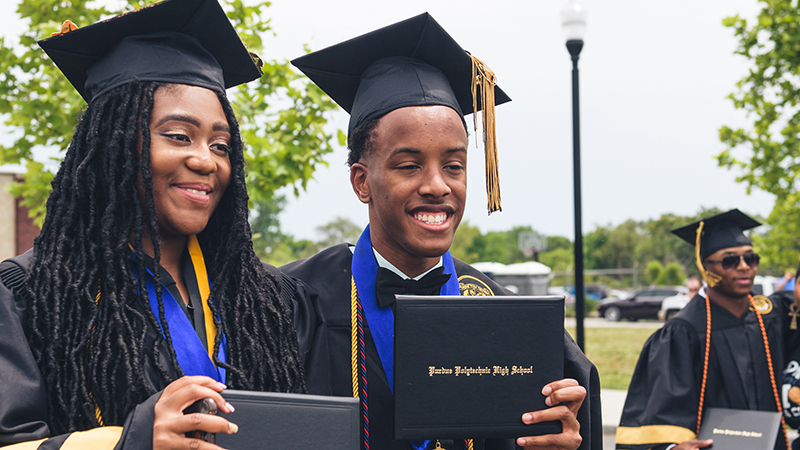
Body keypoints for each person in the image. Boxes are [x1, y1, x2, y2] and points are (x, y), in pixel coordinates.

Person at [282, 13, 601, 450]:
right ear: (362, 181)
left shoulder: (508, 320)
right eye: (408, 165)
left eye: (454, 165)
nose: (437, 186)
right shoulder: (292, 303)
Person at [0, 0, 306, 448]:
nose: (205, 160)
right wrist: (133, 440)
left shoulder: (265, 300)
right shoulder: (30, 295)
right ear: (112, 144)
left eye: (221, 145)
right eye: (179, 136)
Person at [615, 209, 796, 450]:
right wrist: (671, 448)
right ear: (705, 267)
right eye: (730, 260)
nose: (744, 267)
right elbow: (656, 413)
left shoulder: (772, 315)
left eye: (750, 258)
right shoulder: (683, 332)